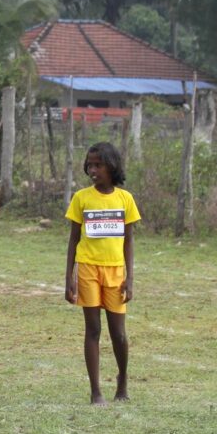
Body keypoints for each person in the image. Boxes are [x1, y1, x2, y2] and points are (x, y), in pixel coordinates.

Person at [64, 142, 140, 406]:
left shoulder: (125, 199)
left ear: (112, 166)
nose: (93, 170)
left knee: (118, 332)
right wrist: (69, 278)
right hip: (87, 268)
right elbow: (73, 239)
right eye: (90, 165)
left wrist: (130, 278)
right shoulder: (81, 198)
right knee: (93, 329)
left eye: (98, 165)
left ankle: (122, 380)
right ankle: (95, 391)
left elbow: (129, 241)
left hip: (115, 271)